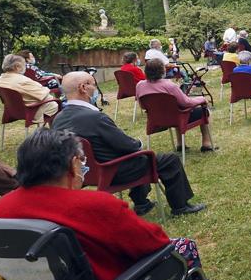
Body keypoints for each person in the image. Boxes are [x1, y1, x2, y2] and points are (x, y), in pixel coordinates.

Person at [0, 129, 224, 280]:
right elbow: (155, 243)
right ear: (73, 164)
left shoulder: (1, 209)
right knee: (181, 248)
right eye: (82, 161)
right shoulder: (94, 205)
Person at [52, 72, 206, 217]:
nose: (96, 89)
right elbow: (127, 145)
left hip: (84, 172)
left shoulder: (58, 119)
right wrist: (138, 142)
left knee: (135, 158)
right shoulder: (94, 117)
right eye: (94, 84)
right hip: (113, 171)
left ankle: (142, 203)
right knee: (167, 160)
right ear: (83, 88)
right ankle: (180, 206)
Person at [135, 58, 216, 151]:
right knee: (205, 111)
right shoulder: (169, 85)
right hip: (177, 118)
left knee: (176, 108)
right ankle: (207, 143)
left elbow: (143, 106)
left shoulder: (140, 85)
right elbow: (186, 103)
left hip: (155, 119)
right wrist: (202, 99)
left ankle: (180, 144)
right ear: (163, 70)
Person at [0, 54, 60, 123]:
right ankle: (55, 132)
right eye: (24, 65)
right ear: (17, 66)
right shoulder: (22, 80)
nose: (25, 67)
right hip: (30, 111)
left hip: (12, 112)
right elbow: (42, 94)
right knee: (55, 104)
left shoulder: (0, 79)